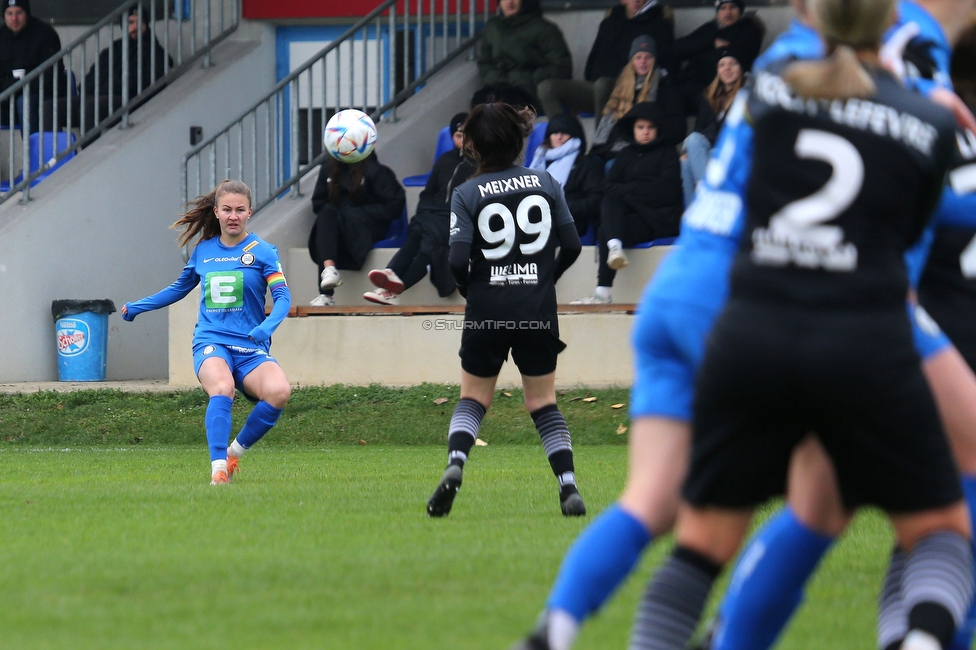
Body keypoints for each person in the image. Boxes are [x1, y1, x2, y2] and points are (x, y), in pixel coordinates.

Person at [625, 0, 972, 646]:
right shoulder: (927, 121)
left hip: (753, 332)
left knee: (700, 549)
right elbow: (909, 240)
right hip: (866, 338)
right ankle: (920, 639)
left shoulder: (772, 97)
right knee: (941, 529)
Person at [425, 102, 584, 518]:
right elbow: (572, 246)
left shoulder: (466, 192)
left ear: (474, 145)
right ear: (519, 139)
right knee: (543, 401)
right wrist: (544, 279)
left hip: (486, 308)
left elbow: (458, 260)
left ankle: (456, 465)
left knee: (474, 398)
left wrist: (469, 290)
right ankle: (568, 486)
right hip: (536, 308)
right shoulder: (547, 181)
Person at [121, 180, 292, 485]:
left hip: (251, 347)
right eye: (227, 209)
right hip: (212, 341)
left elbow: (283, 297)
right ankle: (218, 471)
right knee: (222, 387)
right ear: (216, 212)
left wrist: (266, 326)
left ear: (250, 212)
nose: (233, 215)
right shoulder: (204, 251)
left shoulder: (264, 252)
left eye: (240, 209)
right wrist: (138, 307)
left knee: (279, 392)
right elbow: (178, 289)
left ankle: (233, 453)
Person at [572, 102, 682, 305]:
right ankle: (614, 252)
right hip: (631, 218)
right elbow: (607, 187)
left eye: (650, 127)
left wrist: (628, 191)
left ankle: (603, 291)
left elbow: (665, 192)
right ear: (633, 130)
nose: (646, 132)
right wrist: (636, 191)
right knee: (608, 219)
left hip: (657, 220)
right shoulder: (625, 154)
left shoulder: (668, 154)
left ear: (657, 129)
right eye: (641, 127)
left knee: (608, 224)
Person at [363, 113, 474, 305]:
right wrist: (424, 210)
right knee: (418, 236)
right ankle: (391, 279)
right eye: (458, 135)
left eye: (467, 135)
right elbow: (428, 193)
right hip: (433, 215)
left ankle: (391, 285)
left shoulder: (479, 164)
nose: (462, 140)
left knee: (428, 242)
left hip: (457, 220)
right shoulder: (444, 161)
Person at [536, 0, 674, 118]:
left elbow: (668, 66)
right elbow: (593, 59)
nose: (637, 0)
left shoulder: (659, 25)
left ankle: (600, 145)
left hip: (631, 91)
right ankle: (562, 135)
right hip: (596, 89)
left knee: (603, 85)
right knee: (547, 88)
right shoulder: (609, 23)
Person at [307, 150, 406, 306]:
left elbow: (394, 206)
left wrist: (356, 212)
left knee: (328, 224)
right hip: (339, 225)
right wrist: (339, 212)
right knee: (326, 217)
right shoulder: (329, 169)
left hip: (367, 225)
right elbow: (318, 203)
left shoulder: (376, 171)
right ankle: (329, 273)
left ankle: (327, 290)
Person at [590, 36, 685, 160]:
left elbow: (678, 129)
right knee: (592, 163)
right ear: (631, 61)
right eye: (638, 57)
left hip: (643, 151)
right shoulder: (621, 87)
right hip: (612, 149)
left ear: (654, 61)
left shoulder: (666, 88)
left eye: (648, 57)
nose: (643, 62)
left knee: (611, 166)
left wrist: (652, 141)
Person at [476, 0, 572, 112]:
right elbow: (484, 62)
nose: (510, 2)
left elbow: (561, 66)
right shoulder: (492, 27)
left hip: (529, 92)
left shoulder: (544, 29)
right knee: (478, 102)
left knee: (505, 106)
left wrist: (529, 80)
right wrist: (495, 78)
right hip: (497, 87)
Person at [672, 0, 764, 113]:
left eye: (732, 7)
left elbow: (736, 56)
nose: (728, 12)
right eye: (723, 8)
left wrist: (699, 52)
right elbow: (677, 49)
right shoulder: (711, 28)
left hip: (720, 86)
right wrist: (710, 42)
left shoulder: (749, 28)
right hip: (690, 83)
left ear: (740, 10)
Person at [681, 48, 744, 206]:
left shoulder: (747, 96)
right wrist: (685, 151)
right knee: (685, 158)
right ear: (717, 70)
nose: (727, 68)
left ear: (741, 68)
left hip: (730, 151)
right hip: (708, 149)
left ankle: (708, 200)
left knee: (698, 147)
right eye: (722, 65)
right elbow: (699, 129)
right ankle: (693, 214)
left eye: (733, 64)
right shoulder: (708, 96)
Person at [527, 113, 604, 238]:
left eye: (564, 133)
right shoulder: (539, 161)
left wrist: (562, 206)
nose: (559, 137)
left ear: (575, 136)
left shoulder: (587, 165)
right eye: (555, 133)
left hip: (571, 223)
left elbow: (595, 201)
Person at [0, 0, 66, 131]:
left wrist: (17, 85)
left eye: (19, 13)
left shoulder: (45, 34)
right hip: (7, 100)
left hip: (41, 97)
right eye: (9, 13)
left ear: (27, 13)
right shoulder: (1, 36)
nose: (14, 18)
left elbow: (50, 77)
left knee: (25, 101)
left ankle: (33, 149)